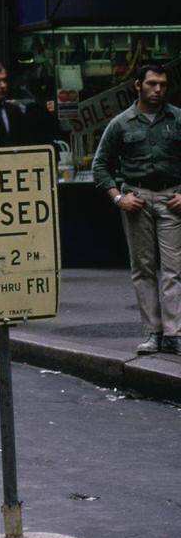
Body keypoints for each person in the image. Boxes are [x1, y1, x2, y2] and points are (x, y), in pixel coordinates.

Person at [93, 64, 181, 354]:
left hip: (171, 198)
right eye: (152, 84)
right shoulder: (121, 123)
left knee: (173, 268)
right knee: (142, 268)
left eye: (163, 84)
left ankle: (174, 333)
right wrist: (119, 198)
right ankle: (153, 332)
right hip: (137, 199)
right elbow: (101, 165)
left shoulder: (177, 118)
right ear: (138, 86)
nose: (158, 90)